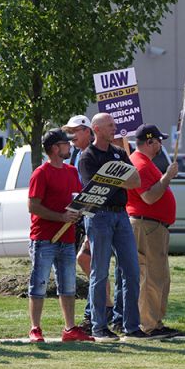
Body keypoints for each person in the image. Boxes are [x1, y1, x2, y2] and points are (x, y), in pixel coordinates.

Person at [76, 112, 148, 340]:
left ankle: (132, 326)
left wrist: (110, 177)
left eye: (114, 124)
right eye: (109, 125)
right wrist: (119, 178)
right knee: (99, 272)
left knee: (132, 271)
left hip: (121, 216)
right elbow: (94, 188)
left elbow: (135, 181)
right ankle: (99, 326)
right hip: (99, 217)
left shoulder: (119, 152)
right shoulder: (87, 156)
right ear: (96, 129)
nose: (114, 128)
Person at [26, 129, 91, 342]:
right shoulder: (41, 173)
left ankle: (70, 329)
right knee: (39, 283)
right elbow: (33, 206)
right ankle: (35, 328)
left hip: (67, 238)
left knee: (69, 284)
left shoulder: (72, 171)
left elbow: (77, 200)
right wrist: (60, 217)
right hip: (44, 238)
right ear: (55, 148)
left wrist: (81, 210)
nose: (70, 146)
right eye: (66, 143)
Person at [127, 123, 181, 337]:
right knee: (150, 276)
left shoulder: (145, 163)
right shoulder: (139, 164)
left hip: (153, 227)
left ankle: (156, 323)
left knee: (159, 276)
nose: (160, 144)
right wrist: (167, 176)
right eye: (158, 140)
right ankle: (149, 325)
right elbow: (149, 196)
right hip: (147, 225)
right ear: (149, 142)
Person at [62, 114, 96, 331]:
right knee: (90, 263)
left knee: (88, 260)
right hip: (83, 217)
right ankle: (100, 309)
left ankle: (96, 311)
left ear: (87, 131)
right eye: (69, 131)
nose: (71, 136)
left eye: (75, 131)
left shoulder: (93, 153)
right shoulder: (77, 153)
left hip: (96, 215)